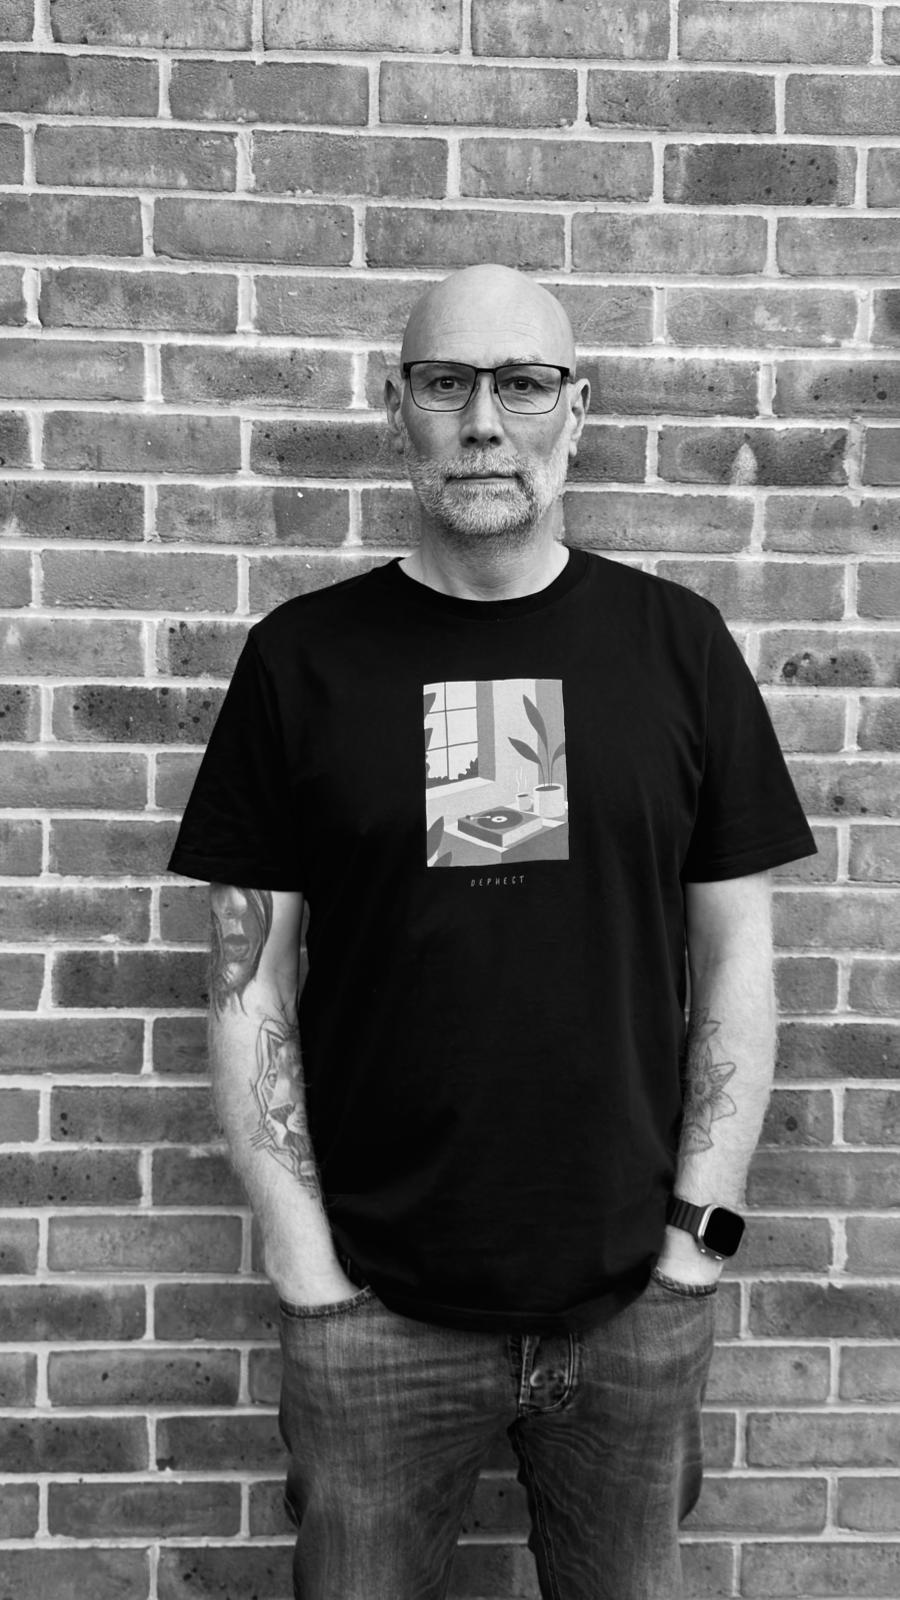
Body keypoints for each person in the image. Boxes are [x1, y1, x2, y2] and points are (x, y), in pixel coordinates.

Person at [168, 263, 816, 1600]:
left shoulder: (678, 646)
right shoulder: (301, 660)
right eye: (445, 383)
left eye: (521, 384)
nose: (482, 423)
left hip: (633, 1310)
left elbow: (738, 958)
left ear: (577, 408)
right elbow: (248, 980)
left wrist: (696, 1244)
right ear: (394, 405)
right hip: (372, 1315)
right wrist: (304, 1269)